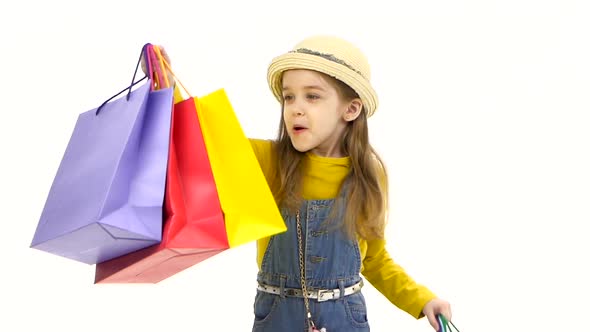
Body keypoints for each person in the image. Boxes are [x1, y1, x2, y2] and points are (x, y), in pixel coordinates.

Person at [150, 35, 452, 332]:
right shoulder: (269, 160)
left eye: (313, 96)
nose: (295, 107)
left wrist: (422, 300)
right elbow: (204, 146)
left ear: (351, 109)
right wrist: (169, 90)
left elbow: (374, 259)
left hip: (344, 319)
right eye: (288, 96)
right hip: (276, 318)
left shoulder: (369, 176)